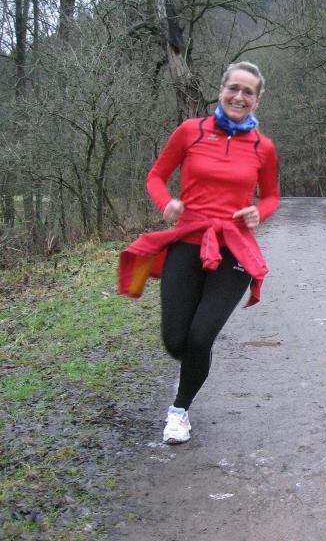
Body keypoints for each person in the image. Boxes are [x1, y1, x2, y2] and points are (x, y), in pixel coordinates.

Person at [118, 61, 279, 443]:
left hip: (233, 250)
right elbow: (156, 177)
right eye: (233, 88)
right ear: (221, 90)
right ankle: (193, 364)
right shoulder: (191, 131)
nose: (239, 96)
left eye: (248, 92)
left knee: (201, 336)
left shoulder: (263, 147)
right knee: (176, 340)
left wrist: (260, 212)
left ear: (257, 100)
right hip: (188, 242)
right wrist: (166, 204)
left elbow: (272, 195)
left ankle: (179, 411)